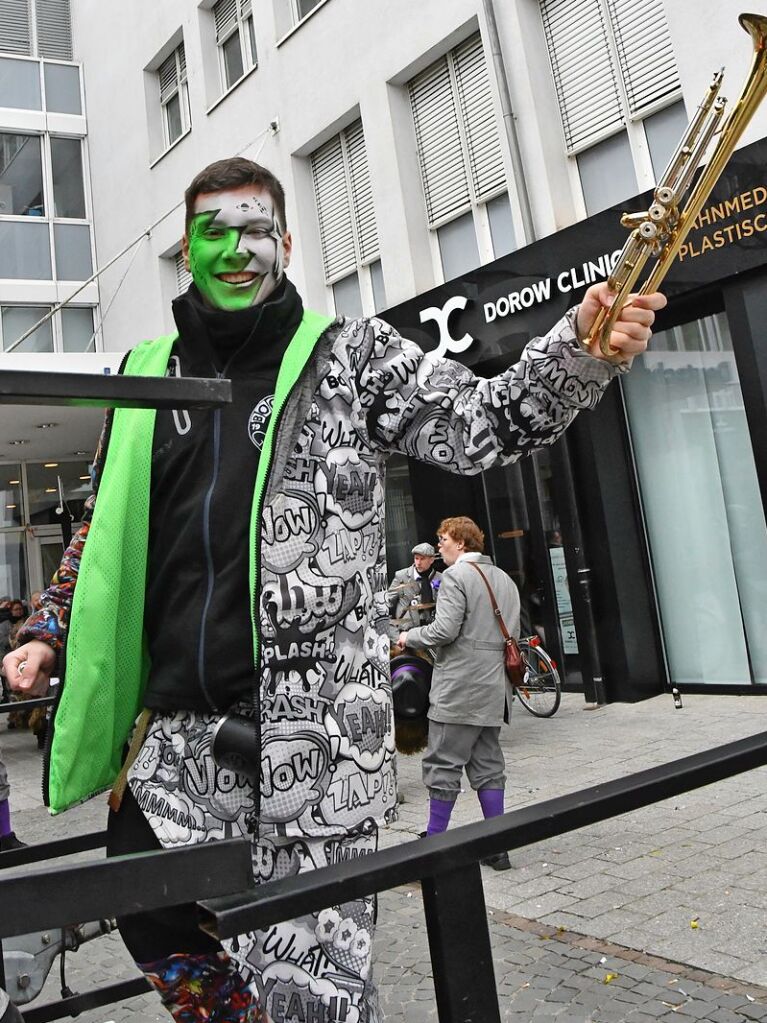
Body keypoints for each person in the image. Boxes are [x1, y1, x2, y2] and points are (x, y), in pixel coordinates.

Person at [3, 156, 665, 1023]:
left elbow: (479, 425)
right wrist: (47, 629)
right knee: (150, 905)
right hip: (177, 738)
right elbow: (101, 528)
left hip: (314, 743)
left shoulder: (349, 355)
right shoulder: (146, 372)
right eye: (214, 233)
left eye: (255, 232)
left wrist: (577, 351)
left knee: (314, 987)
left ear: (284, 243)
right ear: (187, 253)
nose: (236, 251)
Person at [399, 516, 519, 871]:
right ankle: (498, 846)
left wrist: (409, 638)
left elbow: (445, 630)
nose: (439, 546)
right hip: (495, 688)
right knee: (488, 764)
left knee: (442, 763)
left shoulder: (455, 577)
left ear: (462, 544)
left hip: (460, 687)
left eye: (443, 539)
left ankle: (435, 844)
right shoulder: (504, 578)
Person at [387, 542, 441, 639]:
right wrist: (395, 636)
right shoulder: (401, 576)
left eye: (422, 559)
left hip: (430, 635)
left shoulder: (440, 578)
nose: (418, 563)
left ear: (431, 560)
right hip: (405, 635)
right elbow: (386, 605)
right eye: (416, 558)